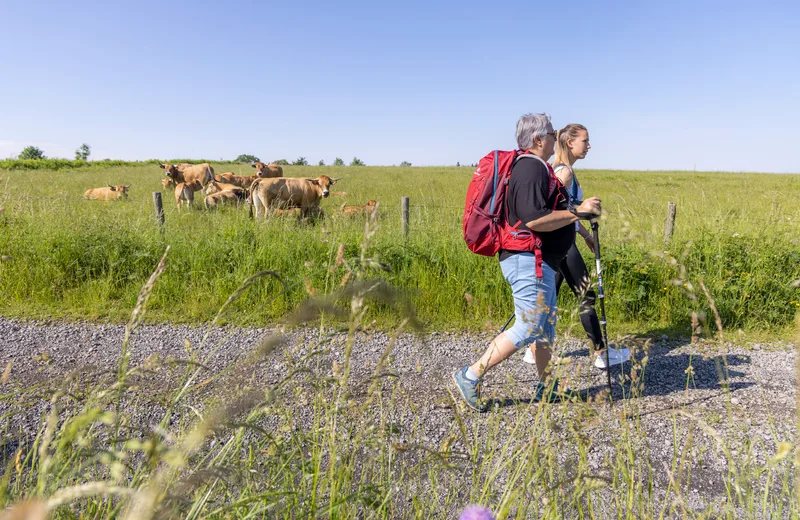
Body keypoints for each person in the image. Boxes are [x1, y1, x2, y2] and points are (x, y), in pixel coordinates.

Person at [452, 113, 602, 411]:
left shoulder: (537, 168)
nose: (554, 135)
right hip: (527, 258)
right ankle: (469, 376)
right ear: (538, 140)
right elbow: (534, 220)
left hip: (537, 259)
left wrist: (577, 212)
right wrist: (578, 213)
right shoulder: (531, 168)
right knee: (529, 325)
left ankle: (547, 387)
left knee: (545, 327)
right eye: (550, 132)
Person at [522, 124, 631, 369]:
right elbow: (555, 210)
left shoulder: (564, 170)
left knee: (549, 299)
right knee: (586, 295)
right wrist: (578, 228)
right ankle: (601, 354)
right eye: (585, 141)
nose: (589, 146)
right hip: (562, 243)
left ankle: (533, 349)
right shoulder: (564, 173)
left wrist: (584, 234)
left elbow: (569, 210)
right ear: (570, 143)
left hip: (563, 240)